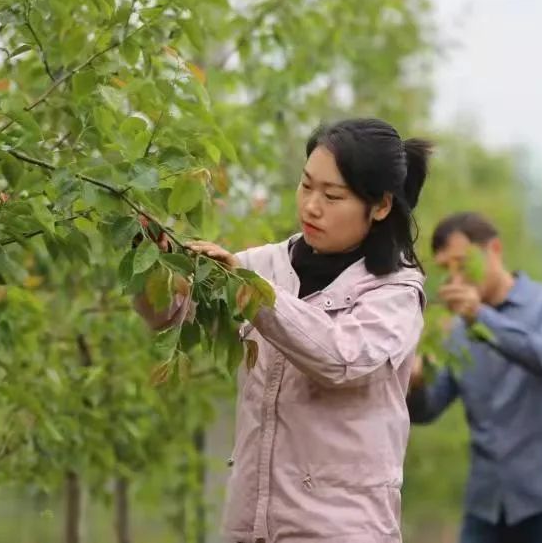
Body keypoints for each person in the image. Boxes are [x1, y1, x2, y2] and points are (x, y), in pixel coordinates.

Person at [135, 118, 432, 542]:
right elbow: (170, 316)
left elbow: (341, 358)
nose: (312, 205)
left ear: (381, 206)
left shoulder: (395, 293)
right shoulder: (266, 265)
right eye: (306, 185)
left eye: (332, 195)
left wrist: (253, 293)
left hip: (342, 530)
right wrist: (159, 268)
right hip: (251, 525)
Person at [407, 212, 542, 543]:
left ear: (494, 250)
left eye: (463, 263)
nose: (456, 277)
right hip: (487, 507)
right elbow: (428, 409)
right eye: (445, 269)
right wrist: (415, 383)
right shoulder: (455, 331)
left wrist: (479, 316)